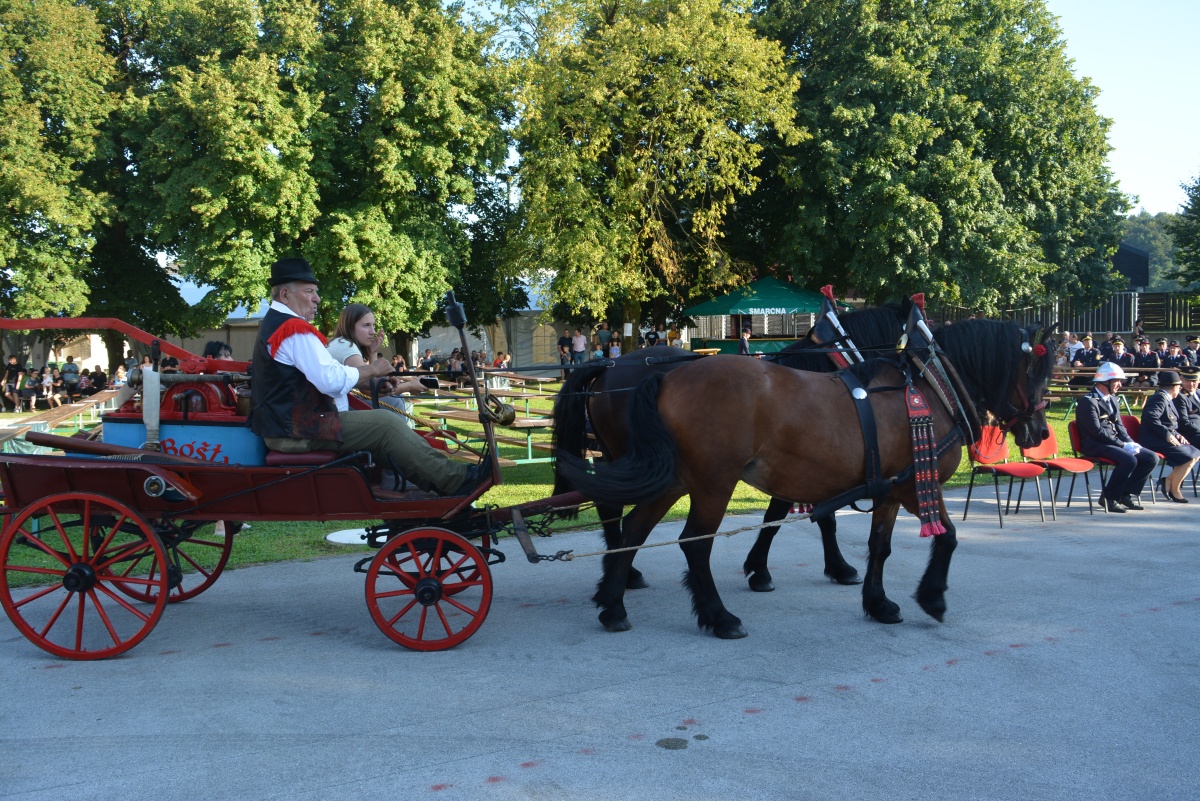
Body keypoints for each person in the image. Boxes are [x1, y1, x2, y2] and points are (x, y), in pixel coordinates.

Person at [249, 257, 487, 496]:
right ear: (284, 295)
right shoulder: (293, 330)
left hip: (292, 427)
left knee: (383, 427)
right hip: (296, 430)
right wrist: (373, 370)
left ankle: (439, 486)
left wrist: (369, 379)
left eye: (316, 291)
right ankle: (455, 481)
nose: (317, 298)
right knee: (386, 423)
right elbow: (330, 381)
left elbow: (327, 378)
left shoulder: (278, 325)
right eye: (309, 291)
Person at [326, 302, 426, 428]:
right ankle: (397, 442)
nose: (373, 331)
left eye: (373, 325)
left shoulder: (340, 343)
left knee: (394, 399)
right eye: (366, 325)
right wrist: (409, 386)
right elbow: (371, 391)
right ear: (350, 327)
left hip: (332, 409)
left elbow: (371, 382)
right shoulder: (347, 346)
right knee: (394, 401)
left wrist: (372, 353)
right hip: (335, 415)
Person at [1075, 362, 1158, 513]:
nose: (1120, 384)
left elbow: (1119, 425)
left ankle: (1124, 494)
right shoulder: (1088, 401)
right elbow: (1096, 431)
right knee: (1129, 460)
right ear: (1105, 381)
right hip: (1095, 444)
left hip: (1112, 442)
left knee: (1151, 458)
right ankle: (1109, 497)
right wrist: (1121, 445)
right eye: (1117, 381)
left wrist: (1130, 442)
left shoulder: (1113, 399)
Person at [1139, 371, 1200, 503]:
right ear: (1174, 387)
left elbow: (1170, 423)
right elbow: (1151, 418)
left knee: (1195, 453)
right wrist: (1167, 435)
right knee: (1189, 457)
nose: (1180, 388)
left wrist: (1177, 435)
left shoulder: (1166, 398)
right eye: (1179, 386)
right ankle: (1174, 489)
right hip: (1154, 439)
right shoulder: (1159, 398)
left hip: (1162, 437)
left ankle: (1168, 481)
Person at [1175, 366, 1200, 449]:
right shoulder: (1179, 397)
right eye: (1188, 380)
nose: (1191, 384)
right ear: (1181, 379)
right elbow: (1183, 423)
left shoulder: (1198, 394)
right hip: (1188, 433)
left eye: (1194, 381)